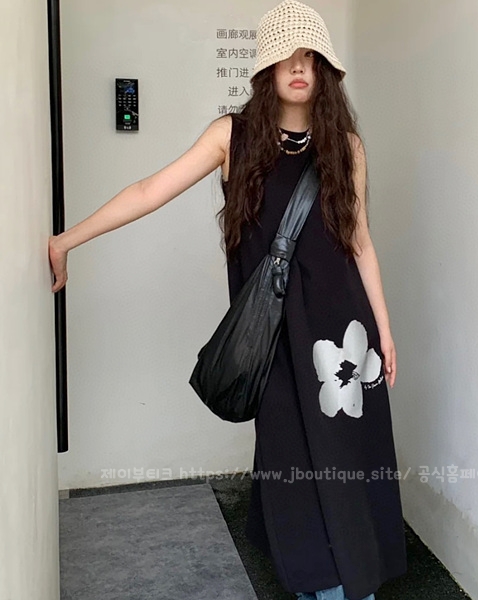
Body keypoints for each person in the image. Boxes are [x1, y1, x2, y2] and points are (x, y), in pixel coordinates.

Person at [48, 1, 408, 598]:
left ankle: (355, 582)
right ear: (267, 67)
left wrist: (385, 330)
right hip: (274, 339)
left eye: (309, 57)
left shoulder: (347, 147)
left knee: (349, 462)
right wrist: (67, 241)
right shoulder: (232, 137)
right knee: (292, 465)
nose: (299, 67)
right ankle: (319, 585)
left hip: (346, 337)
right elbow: (149, 191)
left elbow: (360, 242)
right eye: (286, 57)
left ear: (323, 69)